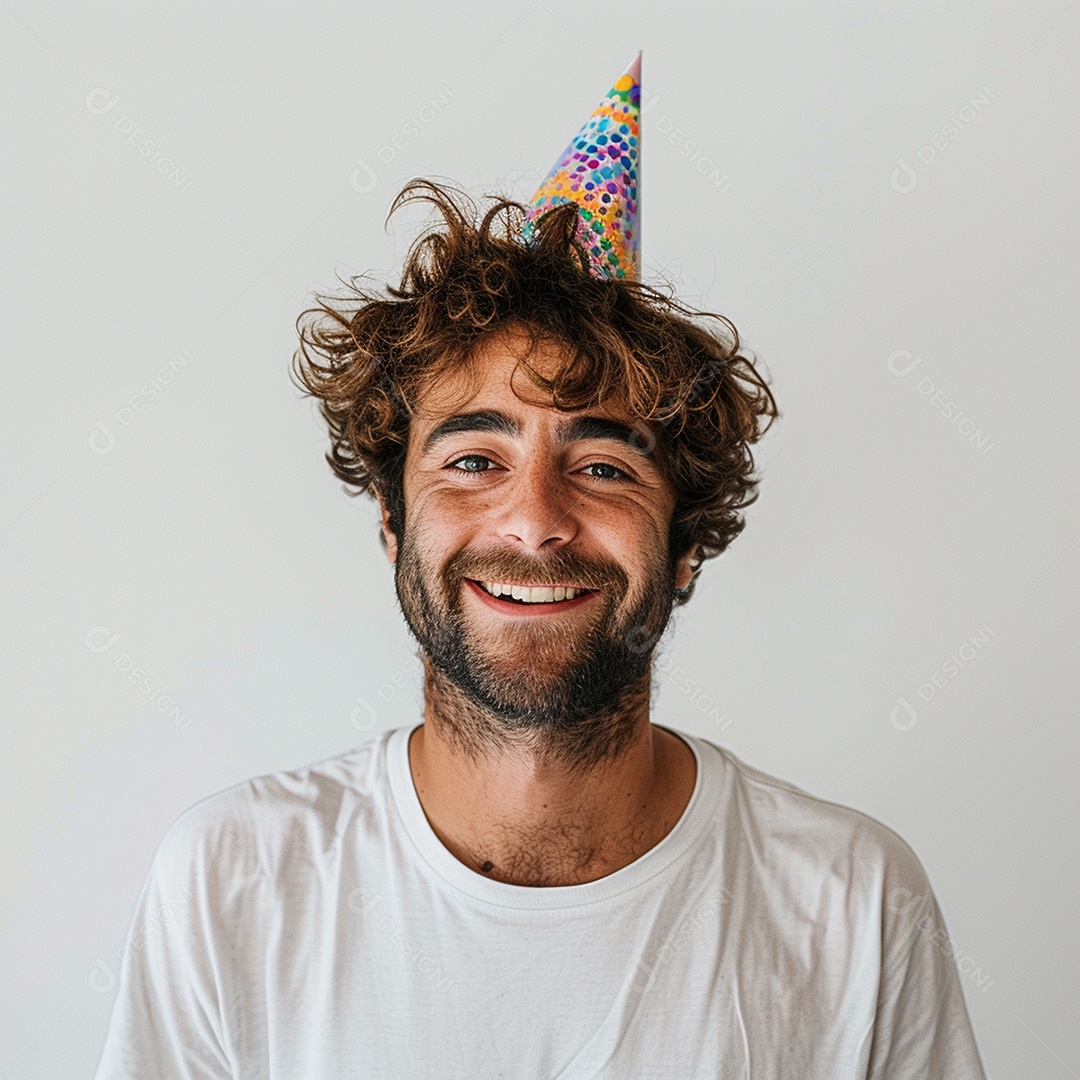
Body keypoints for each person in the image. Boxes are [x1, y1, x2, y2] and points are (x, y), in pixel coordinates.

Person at [93, 55, 987, 1078]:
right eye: (476, 460)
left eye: (601, 465)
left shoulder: (855, 905)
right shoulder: (232, 882)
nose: (535, 521)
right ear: (392, 518)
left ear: (686, 541)